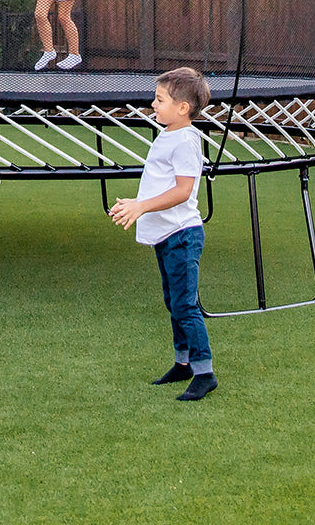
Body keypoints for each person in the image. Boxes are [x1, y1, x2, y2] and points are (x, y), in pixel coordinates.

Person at [109, 67, 217, 401]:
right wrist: (136, 202)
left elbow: (183, 191)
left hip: (182, 236)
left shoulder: (185, 140)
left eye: (159, 99)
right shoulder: (170, 134)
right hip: (166, 236)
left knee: (185, 305)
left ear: (183, 107)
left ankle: (204, 372)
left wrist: (141, 207)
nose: (153, 105)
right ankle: (182, 363)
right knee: (174, 302)